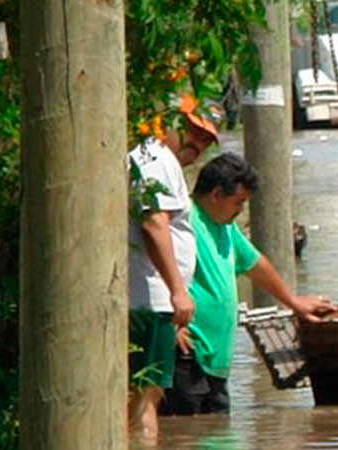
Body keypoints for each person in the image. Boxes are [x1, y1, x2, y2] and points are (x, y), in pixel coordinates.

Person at [160, 153, 337, 415]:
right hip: (187, 354)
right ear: (217, 194)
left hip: (216, 360)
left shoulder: (225, 226)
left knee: (215, 434)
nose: (240, 211)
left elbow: (255, 264)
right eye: (238, 203)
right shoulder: (183, 222)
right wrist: (167, 325)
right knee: (185, 430)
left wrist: (292, 301)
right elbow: (154, 270)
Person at [127, 95, 219, 438]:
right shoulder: (155, 159)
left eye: (207, 139)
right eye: (193, 130)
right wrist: (178, 291)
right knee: (142, 400)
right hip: (148, 298)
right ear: (169, 121)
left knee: (144, 396)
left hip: (155, 301)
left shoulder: (159, 161)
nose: (198, 143)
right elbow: (154, 223)